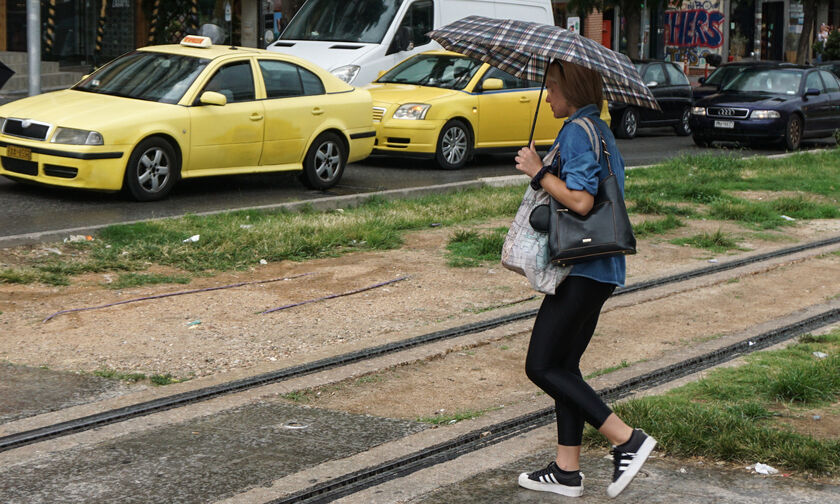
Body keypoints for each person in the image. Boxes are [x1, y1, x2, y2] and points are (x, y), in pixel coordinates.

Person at [513, 59, 657, 499]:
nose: (549, 94)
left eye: (553, 87)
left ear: (571, 89)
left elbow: (580, 200)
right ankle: (567, 470)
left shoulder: (578, 131)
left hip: (582, 266)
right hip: (602, 267)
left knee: (540, 365)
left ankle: (625, 438)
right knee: (564, 367)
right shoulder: (600, 130)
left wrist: (538, 171)